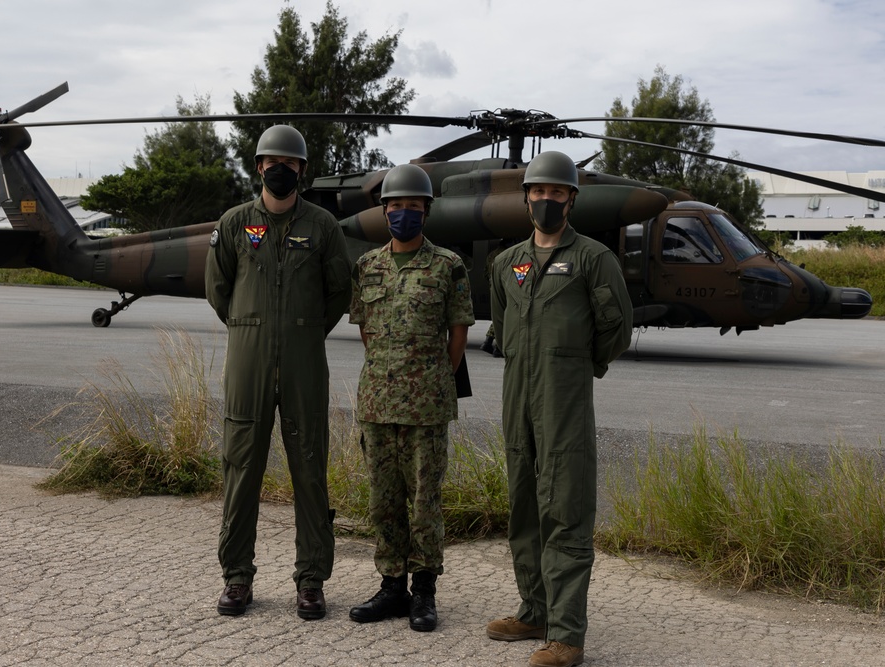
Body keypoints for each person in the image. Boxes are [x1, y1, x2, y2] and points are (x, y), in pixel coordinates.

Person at [486, 151, 632, 667]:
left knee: (565, 513)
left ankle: (567, 634)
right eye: (538, 191)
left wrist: (573, 366)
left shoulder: (594, 259)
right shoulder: (507, 264)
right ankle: (534, 611)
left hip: (564, 404)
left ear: (571, 198)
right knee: (524, 509)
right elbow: (502, 330)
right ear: (526, 197)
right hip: (516, 403)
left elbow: (616, 330)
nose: (546, 200)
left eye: (556, 192)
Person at [204, 124, 353, 621]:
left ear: (302, 172)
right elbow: (218, 288)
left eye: (289, 165)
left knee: (309, 469)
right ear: (259, 166)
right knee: (241, 467)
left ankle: (311, 581)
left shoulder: (323, 227)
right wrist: (251, 328)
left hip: (304, 364)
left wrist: (304, 331)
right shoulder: (233, 223)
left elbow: (338, 291)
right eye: (272, 163)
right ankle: (237, 577)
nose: (280, 171)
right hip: (247, 363)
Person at [347, 163, 475, 632]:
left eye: (413, 206)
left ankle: (424, 593)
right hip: (378, 402)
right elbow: (365, 329)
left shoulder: (448, 265)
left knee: (425, 501)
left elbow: (457, 333)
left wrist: (431, 375)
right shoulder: (367, 265)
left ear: (426, 210)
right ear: (385, 211)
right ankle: (391, 588)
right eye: (396, 205)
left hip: (426, 404)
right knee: (383, 499)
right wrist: (391, 370)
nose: (404, 212)